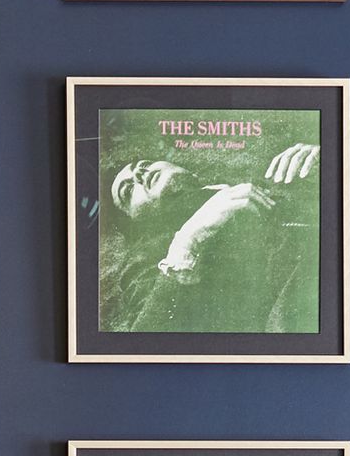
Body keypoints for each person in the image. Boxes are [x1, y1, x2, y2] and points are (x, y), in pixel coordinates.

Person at [101, 139, 320, 339]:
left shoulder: (259, 176)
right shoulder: (145, 261)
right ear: (134, 221)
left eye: (144, 164)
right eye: (128, 190)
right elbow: (146, 341)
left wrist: (324, 169)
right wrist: (188, 240)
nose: (140, 173)